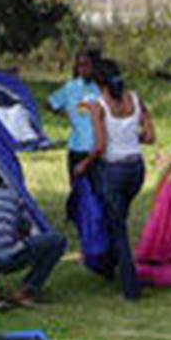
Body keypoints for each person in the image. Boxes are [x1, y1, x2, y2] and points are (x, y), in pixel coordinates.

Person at [77, 59, 155, 300]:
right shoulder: (136, 99)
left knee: (118, 227)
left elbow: (100, 147)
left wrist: (84, 164)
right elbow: (150, 136)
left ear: (99, 83)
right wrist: (129, 138)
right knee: (117, 218)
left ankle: (130, 287)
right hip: (136, 170)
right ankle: (107, 265)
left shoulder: (99, 106)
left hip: (114, 171)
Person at [0, 174, 67, 310]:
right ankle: (27, 291)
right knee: (57, 241)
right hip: (5, 255)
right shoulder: (11, 196)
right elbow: (28, 229)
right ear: (2, 184)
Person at [48, 48, 103, 222]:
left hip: (97, 146)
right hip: (76, 145)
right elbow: (50, 103)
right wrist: (67, 114)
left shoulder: (102, 88)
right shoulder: (71, 87)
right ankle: (74, 216)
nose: (83, 70)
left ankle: (95, 217)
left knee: (97, 186)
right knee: (77, 184)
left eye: (87, 65)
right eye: (79, 66)